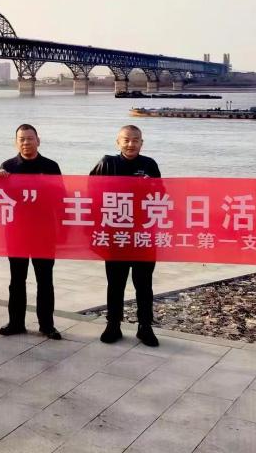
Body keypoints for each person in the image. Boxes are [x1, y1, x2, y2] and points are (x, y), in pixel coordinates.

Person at [90, 124, 162, 347]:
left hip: (143, 236)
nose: (131, 144)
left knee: (144, 284)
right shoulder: (107, 163)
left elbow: (162, 197)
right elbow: (90, 193)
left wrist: (151, 186)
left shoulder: (149, 165)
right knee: (115, 283)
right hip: (116, 235)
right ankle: (113, 324)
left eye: (135, 140)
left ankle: (145, 326)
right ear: (118, 142)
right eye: (126, 140)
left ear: (142, 143)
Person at [0, 124, 63, 340]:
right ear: (16, 142)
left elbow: (61, 198)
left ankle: (47, 325)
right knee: (17, 280)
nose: (26, 142)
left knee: (45, 281)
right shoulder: (8, 167)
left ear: (38, 141)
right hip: (17, 233)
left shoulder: (50, 166)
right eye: (22, 139)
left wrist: (63, 231)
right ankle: (16, 323)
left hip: (44, 233)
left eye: (30, 138)